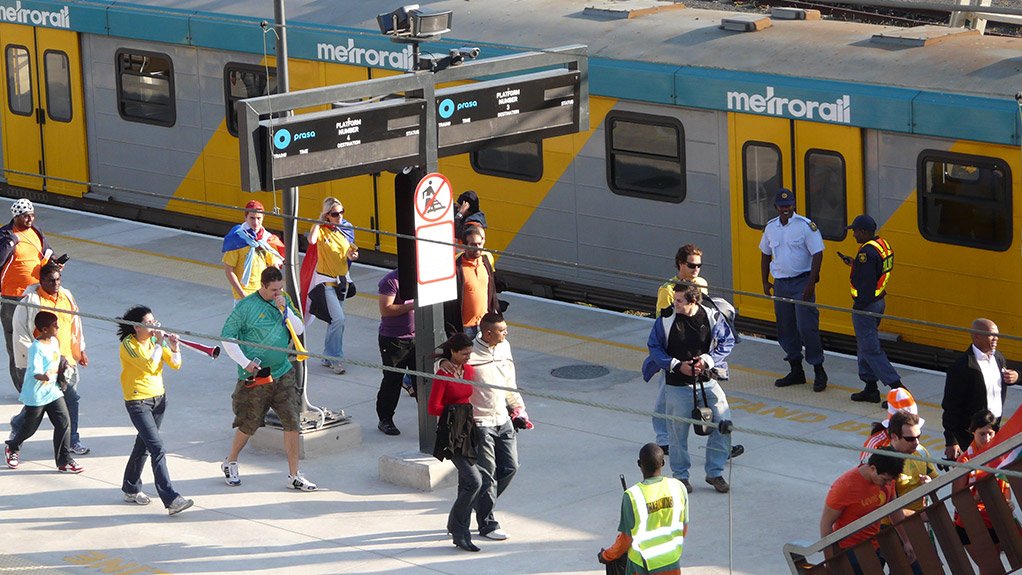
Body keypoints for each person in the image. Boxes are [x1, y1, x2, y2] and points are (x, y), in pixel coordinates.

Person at [220, 266, 317, 492]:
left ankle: (294, 475)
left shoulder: (284, 301)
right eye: (274, 290)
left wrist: (287, 311)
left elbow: (299, 328)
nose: (278, 293)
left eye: (280, 288)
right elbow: (227, 337)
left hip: (283, 372)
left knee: (292, 422)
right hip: (255, 377)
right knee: (248, 423)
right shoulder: (246, 307)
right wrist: (245, 363)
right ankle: (231, 461)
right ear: (263, 286)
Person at [116, 305, 193, 515]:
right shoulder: (128, 345)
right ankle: (171, 498)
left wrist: (174, 347)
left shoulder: (153, 342)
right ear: (136, 327)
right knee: (157, 448)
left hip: (158, 400)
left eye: (154, 322)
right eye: (148, 324)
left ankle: (130, 488)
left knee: (143, 445)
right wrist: (159, 343)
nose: (153, 326)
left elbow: (175, 364)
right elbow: (149, 365)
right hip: (138, 401)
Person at [10, 263, 89, 455]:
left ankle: (72, 440)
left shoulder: (66, 296)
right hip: (46, 365)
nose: (56, 284)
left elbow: (74, 325)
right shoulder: (30, 302)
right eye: (51, 280)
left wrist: (80, 350)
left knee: (70, 400)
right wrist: (38, 361)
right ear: (41, 280)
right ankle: (19, 427)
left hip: (66, 361)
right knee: (41, 405)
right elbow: (21, 334)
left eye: (58, 279)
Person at [467, 312, 532, 541]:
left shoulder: (505, 347)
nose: (506, 333)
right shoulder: (470, 353)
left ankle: (480, 502)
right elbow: (443, 367)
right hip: (480, 421)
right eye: (501, 331)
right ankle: (487, 523)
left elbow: (509, 381)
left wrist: (519, 410)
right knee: (487, 474)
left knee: (511, 466)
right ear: (487, 333)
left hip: (503, 418)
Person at [759, 188, 828, 392]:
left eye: (788, 205)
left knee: (807, 327)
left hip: (801, 283)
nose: (785, 209)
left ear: (794, 205)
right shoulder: (771, 227)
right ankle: (796, 370)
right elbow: (765, 254)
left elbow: (818, 254)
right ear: (776, 207)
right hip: (781, 284)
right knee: (786, 327)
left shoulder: (806, 226)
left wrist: (811, 283)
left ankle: (818, 369)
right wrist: (765, 281)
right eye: (781, 206)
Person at [4, 312, 80, 474]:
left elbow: (57, 357)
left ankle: (64, 461)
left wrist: (64, 365)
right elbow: (35, 371)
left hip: (53, 391)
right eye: (55, 326)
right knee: (29, 428)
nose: (58, 328)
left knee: (64, 423)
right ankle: (13, 446)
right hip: (37, 394)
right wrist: (44, 376)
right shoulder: (35, 348)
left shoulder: (54, 341)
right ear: (44, 329)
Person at [820, 449, 915, 574]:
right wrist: (829, 561)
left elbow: (893, 509)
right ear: (873, 468)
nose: (887, 484)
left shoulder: (888, 479)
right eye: (884, 479)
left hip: (875, 546)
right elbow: (825, 524)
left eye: (889, 480)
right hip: (850, 551)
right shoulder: (844, 486)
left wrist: (906, 540)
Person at [841, 214, 904, 403]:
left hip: (866, 306)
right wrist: (854, 264)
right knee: (864, 345)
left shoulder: (866, 254)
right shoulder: (882, 245)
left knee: (870, 349)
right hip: (879, 301)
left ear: (864, 231)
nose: (853, 235)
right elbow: (876, 271)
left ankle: (899, 390)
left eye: (855, 231)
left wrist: (859, 306)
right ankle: (870, 387)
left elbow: (867, 283)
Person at [599, 443, 688, 575]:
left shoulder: (633, 495)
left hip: (641, 565)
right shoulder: (678, 487)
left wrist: (607, 555)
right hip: (671, 560)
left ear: (639, 464)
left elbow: (626, 539)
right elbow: (683, 528)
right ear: (663, 463)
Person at [428, 332, 481, 552]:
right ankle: (458, 528)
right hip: (452, 434)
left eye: (470, 353)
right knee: (474, 481)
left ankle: (460, 529)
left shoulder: (468, 370)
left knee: (466, 484)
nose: (468, 357)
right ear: (453, 352)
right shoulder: (443, 374)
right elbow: (433, 407)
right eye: (464, 353)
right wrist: (456, 413)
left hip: (468, 430)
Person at [942, 318, 1019, 461]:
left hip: (994, 428)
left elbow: (998, 384)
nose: (996, 339)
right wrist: (951, 441)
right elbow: (950, 406)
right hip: (971, 434)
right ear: (976, 336)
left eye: (997, 335)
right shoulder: (961, 367)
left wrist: (1014, 377)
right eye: (991, 335)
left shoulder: (998, 357)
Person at [0, 198, 55, 391]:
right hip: (12, 297)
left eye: (32, 214)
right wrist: (10, 242)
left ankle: (43, 380)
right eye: (25, 215)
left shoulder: (36, 232)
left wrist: (54, 264)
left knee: (40, 338)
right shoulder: (6, 236)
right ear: (16, 216)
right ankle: (23, 387)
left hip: (36, 294)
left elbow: (47, 253)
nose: (30, 218)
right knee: (17, 343)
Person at [953, 410, 1015, 575]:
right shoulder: (965, 461)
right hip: (971, 524)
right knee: (992, 570)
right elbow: (956, 498)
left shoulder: (1000, 455)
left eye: (990, 433)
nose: (986, 438)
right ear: (973, 432)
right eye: (982, 434)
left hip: (996, 519)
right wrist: (976, 497)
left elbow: (1005, 483)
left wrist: (1008, 501)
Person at [305, 197, 358, 375]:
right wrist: (319, 222)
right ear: (327, 215)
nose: (339, 217)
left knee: (334, 321)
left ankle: (328, 357)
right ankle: (335, 358)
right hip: (326, 282)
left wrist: (353, 256)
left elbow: (349, 254)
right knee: (339, 319)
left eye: (342, 212)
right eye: (335, 214)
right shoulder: (321, 229)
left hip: (342, 282)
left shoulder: (346, 229)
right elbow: (311, 240)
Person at [858, 406, 938, 525]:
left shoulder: (921, 452)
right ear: (894, 437)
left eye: (918, 437)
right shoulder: (884, 464)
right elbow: (885, 507)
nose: (916, 442)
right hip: (891, 527)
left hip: (918, 521)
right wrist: (923, 515)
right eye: (910, 438)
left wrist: (930, 483)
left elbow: (936, 480)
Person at [376, 267, 415, 436]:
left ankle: (431, 420)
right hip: (394, 340)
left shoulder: (424, 278)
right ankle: (385, 419)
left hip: (417, 338)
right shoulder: (391, 281)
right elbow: (386, 309)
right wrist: (415, 305)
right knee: (392, 380)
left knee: (423, 381)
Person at [222, 200, 284, 303]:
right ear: (245, 218)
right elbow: (229, 271)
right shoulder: (236, 240)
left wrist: (278, 290)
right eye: (252, 218)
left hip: (264, 292)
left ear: (263, 218)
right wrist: (242, 295)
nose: (256, 222)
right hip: (244, 295)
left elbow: (273, 268)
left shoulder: (266, 240)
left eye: (259, 218)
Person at [443, 226, 498, 339]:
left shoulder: (486, 261)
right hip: (464, 328)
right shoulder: (455, 267)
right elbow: (449, 303)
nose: (477, 248)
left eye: (479, 244)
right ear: (464, 245)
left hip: (485, 325)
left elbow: (491, 292)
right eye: (473, 245)